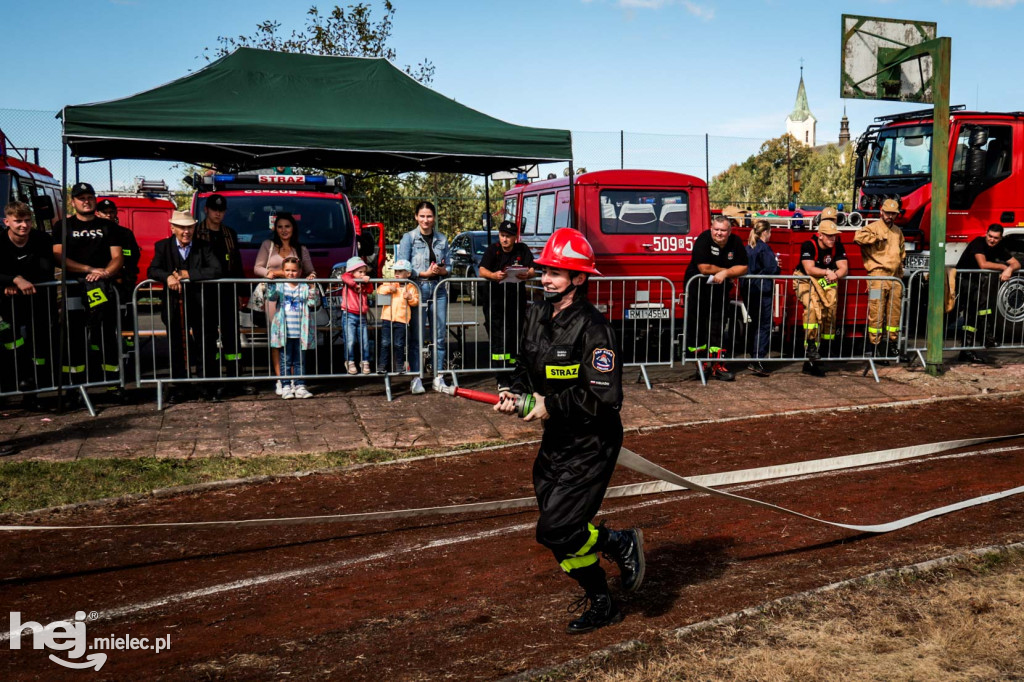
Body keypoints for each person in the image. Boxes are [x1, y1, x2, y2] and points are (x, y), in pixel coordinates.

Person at [494, 228, 644, 635]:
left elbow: (604, 397)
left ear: (579, 278)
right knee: (562, 535)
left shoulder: (596, 330)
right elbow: (525, 365)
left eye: (557, 273)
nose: (546, 278)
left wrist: (549, 404)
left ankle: (617, 542)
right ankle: (602, 602)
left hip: (592, 442)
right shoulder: (537, 313)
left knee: (556, 527)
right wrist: (515, 391)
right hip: (556, 440)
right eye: (545, 270)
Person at [52, 183, 124, 393]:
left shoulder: (109, 227)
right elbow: (58, 256)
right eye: (81, 197)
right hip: (74, 290)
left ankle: (112, 384)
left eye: (89, 197)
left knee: (105, 333)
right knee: (73, 336)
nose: (86, 201)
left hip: (101, 288)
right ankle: (74, 388)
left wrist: (105, 273)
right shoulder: (62, 226)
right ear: (72, 202)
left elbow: (117, 257)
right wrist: (88, 269)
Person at [147, 211, 223, 404]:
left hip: (201, 304)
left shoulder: (205, 247)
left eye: (189, 227)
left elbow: (216, 269)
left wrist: (188, 273)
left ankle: (206, 385)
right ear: (172, 228)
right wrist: (168, 277)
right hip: (174, 305)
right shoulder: (162, 246)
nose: (186, 231)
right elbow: (153, 269)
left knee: (205, 344)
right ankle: (180, 386)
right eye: (181, 227)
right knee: (176, 345)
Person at [194, 193, 255, 398]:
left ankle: (235, 379)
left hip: (228, 291)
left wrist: (242, 292)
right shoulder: (196, 233)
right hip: (204, 293)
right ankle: (209, 382)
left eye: (221, 210)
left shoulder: (230, 233)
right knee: (207, 338)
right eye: (214, 209)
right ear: (206, 210)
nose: (218, 213)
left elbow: (236, 264)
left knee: (231, 338)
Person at [254, 212, 316, 394]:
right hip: (275, 296)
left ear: (293, 228)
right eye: (280, 226)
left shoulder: (301, 248)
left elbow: (310, 271)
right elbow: (257, 267)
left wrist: (310, 277)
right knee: (278, 338)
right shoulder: (268, 245)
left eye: (287, 226)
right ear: (275, 229)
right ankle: (281, 379)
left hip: (295, 296)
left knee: (294, 339)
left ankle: (297, 381)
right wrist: (270, 274)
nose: (283, 230)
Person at [684, 214, 749, 381]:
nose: (719, 233)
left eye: (723, 230)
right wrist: (725, 270)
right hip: (698, 290)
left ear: (729, 231)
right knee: (698, 328)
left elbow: (743, 267)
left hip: (720, 292)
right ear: (711, 229)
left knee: (718, 328)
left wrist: (726, 272)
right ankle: (701, 365)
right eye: (716, 230)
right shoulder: (703, 239)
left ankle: (718, 365)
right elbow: (704, 268)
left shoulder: (735, 242)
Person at [0, 201, 56, 397]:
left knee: (38, 345)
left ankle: (36, 388)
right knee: (11, 345)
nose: (23, 225)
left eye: (27, 220)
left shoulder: (41, 240)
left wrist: (17, 280)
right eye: (18, 221)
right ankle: (10, 384)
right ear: (6, 222)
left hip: (38, 301)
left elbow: (45, 269)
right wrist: (14, 279)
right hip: (8, 305)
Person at [397, 201, 451, 393]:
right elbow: (402, 267)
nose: (426, 220)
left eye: (429, 216)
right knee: (417, 336)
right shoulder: (409, 238)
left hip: (439, 290)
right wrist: (422, 274)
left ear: (434, 217)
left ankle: (439, 376)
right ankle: (416, 377)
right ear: (416, 217)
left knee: (439, 335)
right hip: (418, 290)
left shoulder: (442, 239)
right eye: (422, 216)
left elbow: (450, 267)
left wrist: (442, 270)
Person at [478, 220, 535, 390]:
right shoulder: (492, 250)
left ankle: (515, 373)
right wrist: (493, 276)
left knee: (515, 337)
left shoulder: (522, 249)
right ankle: (501, 376)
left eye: (508, 237)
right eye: (502, 236)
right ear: (499, 236)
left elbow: (532, 268)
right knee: (498, 340)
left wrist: (528, 275)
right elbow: (482, 270)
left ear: (515, 237)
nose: (505, 240)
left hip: (515, 303)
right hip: (495, 303)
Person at [955, 224, 1021, 364]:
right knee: (969, 315)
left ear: (1001, 238)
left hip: (977, 283)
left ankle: (972, 347)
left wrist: (1010, 269)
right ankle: (969, 348)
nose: (992, 240)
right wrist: (1004, 267)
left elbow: (1017, 264)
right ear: (986, 234)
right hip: (964, 282)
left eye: (996, 238)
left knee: (980, 312)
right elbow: (983, 264)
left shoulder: (999, 247)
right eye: (990, 236)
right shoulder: (977, 243)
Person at [793, 219, 848, 377]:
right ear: (820, 235)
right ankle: (810, 346)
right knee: (812, 308)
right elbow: (809, 269)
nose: (833, 239)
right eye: (829, 236)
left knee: (826, 313)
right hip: (805, 280)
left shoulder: (837, 246)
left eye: (834, 236)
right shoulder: (809, 245)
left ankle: (815, 358)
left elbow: (844, 267)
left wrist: (835, 274)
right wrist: (827, 272)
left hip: (825, 280)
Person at [854, 198, 905, 361]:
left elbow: (901, 252)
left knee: (894, 312)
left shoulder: (898, 231)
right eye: (887, 213)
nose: (890, 216)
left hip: (895, 278)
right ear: (881, 212)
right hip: (877, 277)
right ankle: (874, 347)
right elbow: (858, 238)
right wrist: (875, 238)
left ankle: (891, 344)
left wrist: (901, 273)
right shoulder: (872, 228)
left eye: (893, 214)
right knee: (876, 312)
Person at [267, 256, 319, 399]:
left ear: (300, 271)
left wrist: (312, 287)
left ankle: (300, 385)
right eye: (288, 270)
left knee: (300, 360)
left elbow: (313, 302)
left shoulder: (303, 286)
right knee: (285, 359)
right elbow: (271, 297)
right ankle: (285, 386)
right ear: (283, 271)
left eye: (294, 270)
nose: (291, 273)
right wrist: (270, 282)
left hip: (301, 332)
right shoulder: (280, 286)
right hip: (285, 332)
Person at [743, 220, 778, 377]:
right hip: (762, 290)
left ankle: (753, 356)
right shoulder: (764, 248)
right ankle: (758, 359)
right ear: (766, 232)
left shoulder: (748, 247)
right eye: (770, 232)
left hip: (748, 289)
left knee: (754, 323)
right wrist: (778, 266)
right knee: (764, 324)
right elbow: (772, 269)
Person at [376, 259, 419, 374]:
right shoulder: (390, 283)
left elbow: (415, 301)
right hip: (387, 318)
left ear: (408, 274)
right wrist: (389, 289)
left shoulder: (411, 287)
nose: (396, 273)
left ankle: (399, 366)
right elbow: (379, 290)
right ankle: (382, 366)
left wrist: (410, 297)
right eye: (395, 271)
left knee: (399, 344)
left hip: (402, 320)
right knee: (385, 343)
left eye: (400, 271)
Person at [340, 256, 373, 375]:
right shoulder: (348, 279)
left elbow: (369, 290)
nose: (363, 274)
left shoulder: (363, 282)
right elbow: (345, 277)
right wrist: (355, 284)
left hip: (361, 315)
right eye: (360, 271)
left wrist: (367, 282)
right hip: (349, 314)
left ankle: (365, 361)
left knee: (364, 341)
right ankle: (350, 361)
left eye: (364, 271)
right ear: (352, 272)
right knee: (350, 340)